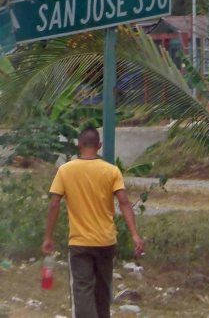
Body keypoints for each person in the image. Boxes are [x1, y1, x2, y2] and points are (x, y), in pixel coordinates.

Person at [41, 126, 145, 318]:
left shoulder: (65, 170)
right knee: (102, 293)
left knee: (82, 291)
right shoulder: (111, 171)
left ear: (79, 145)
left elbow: (54, 205)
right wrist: (135, 235)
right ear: (99, 145)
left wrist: (48, 236)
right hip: (106, 242)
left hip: (80, 243)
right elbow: (124, 202)